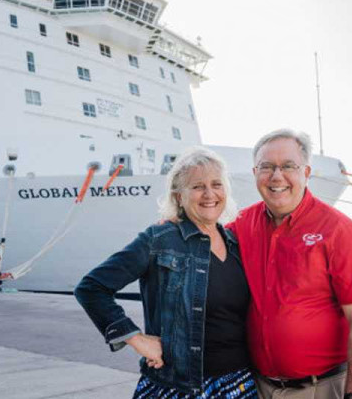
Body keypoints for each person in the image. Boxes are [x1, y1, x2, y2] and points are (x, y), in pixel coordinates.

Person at [74, 147, 258, 398]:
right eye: (197, 186)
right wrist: (137, 339)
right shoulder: (160, 239)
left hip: (238, 383)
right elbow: (91, 288)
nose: (209, 194)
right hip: (179, 386)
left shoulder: (235, 243)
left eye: (217, 184)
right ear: (178, 195)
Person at [227, 129, 352, 399]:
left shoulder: (340, 230)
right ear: (255, 174)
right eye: (266, 167)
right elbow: (202, 238)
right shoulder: (241, 224)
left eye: (288, 166)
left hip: (320, 389)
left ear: (306, 172)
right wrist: (173, 221)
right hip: (258, 387)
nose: (277, 176)